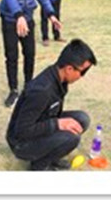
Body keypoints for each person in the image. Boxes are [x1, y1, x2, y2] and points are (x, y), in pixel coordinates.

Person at [6, 38, 96, 171]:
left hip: (41, 122)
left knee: (82, 119)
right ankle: (38, 166)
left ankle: (50, 156)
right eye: (83, 72)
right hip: (21, 143)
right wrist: (58, 124)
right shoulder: (42, 90)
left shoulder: (60, 79)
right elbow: (22, 131)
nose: (82, 76)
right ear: (69, 69)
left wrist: (58, 123)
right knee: (71, 138)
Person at [0, 0, 62, 108]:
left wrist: (51, 14)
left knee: (30, 53)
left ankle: (29, 86)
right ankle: (13, 90)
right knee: (12, 56)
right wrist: (18, 16)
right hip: (10, 19)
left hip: (27, 18)